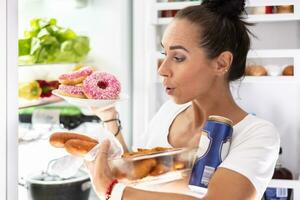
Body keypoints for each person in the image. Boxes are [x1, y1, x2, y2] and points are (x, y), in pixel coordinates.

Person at [86, 0, 280, 199]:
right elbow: (136, 175)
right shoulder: (168, 112)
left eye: (178, 58)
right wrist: (109, 117)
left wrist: (113, 191)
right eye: (164, 54)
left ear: (221, 63)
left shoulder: (257, 135)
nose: (162, 70)